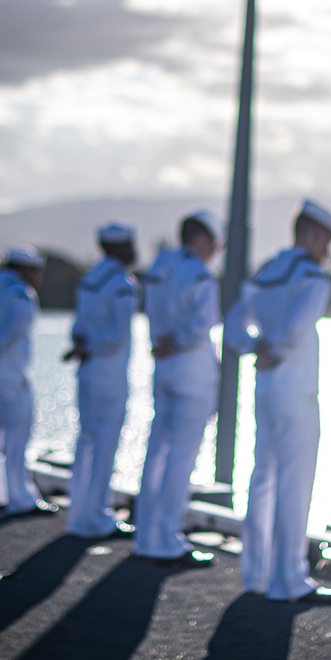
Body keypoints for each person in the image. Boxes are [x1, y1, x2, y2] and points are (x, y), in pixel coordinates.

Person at [223, 199, 331, 603]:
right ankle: (289, 578)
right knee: (294, 484)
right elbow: (297, 327)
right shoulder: (312, 276)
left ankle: (255, 574)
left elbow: (232, 326)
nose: (327, 250)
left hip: (267, 388)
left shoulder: (268, 270)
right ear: (311, 234)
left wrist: (255, 346)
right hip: (296, 392)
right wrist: (274, 345)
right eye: (326, 240)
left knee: (262, 480)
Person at [133, 210, 223, 568]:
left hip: (164, 369)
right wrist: (178, 340)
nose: (214, 253)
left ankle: (145, 535)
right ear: (202, 240)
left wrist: (163, 341)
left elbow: (151, 310)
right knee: (180, 458)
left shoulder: (160, 267)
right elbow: (203, 326)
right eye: (214, 245)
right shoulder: (199, 274)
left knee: (156, 452)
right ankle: (167, 538)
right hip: (191, 373)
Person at [0, 246, 57, 515]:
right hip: (8, 374)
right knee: (18, 436)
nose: (39, 275)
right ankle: (20, 498)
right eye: (36, 269)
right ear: (23, 269)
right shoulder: (21, 294)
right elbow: (14, 329)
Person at [63, 222, 139, 539]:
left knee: (86, 441)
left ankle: (78, 512)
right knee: (105, 444)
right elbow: (119, 336)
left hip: (88, 370)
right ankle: (97, 516)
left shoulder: (90, 279)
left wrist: (82, 345)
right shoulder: (122, 283)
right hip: (108, 372)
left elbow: (78, 324)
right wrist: (92, 346)